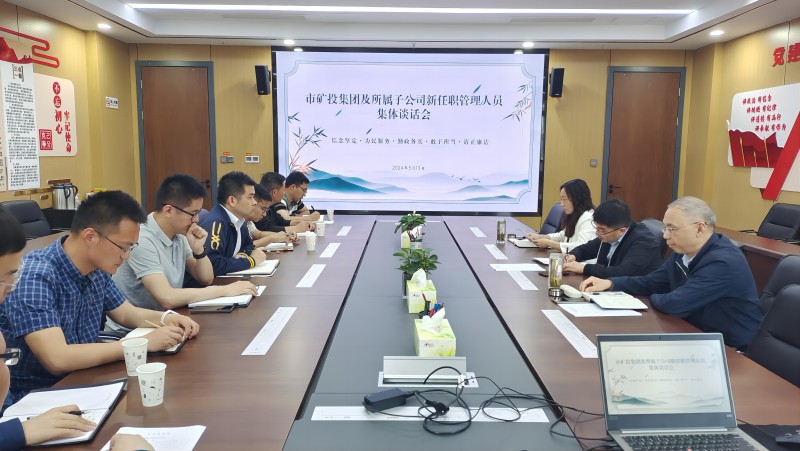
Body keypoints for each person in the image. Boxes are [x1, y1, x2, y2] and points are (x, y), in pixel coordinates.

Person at [0, 191, 199, 406]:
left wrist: (166, 318)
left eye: (131, 248)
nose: (126, 256)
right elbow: (57, 358)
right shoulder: (36, 275)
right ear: (90, 237)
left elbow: (126, 313)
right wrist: (141, 344)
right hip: (36, 397)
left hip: (83, 380)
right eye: (123, 247)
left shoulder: (97, 268)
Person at [580, 196, 762, 351]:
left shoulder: (723, 263)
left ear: (699, 228)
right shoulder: (683, 252)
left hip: (730, 349)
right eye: (664, 228)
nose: (665, 236)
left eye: (671, 229)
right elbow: (652, 282)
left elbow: (674, 303)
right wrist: (611, 283)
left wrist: (652, 297)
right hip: (695, 334)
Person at [0, 210, 98, 450]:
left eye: (12, 277)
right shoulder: (39, 274)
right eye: (5, 279)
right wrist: (18, 432)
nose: (10, 289)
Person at [112, 175, 257, 320]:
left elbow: (206, 279)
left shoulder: (180, 234)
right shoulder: (142, 239)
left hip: (169, 318)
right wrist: (224, 290)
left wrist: (199, 251)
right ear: (168, 210)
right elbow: (167, 298)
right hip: (137, 328)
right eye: (193, 214)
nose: (197, 220)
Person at [186, 171, 267, 284]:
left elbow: (248, 245)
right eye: (250, 197)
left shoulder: (240, 219)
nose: (255, 203)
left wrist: (242, 256)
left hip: (227, 280)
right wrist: (250, 261)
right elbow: (214, 264)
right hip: (207, 287)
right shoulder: (216, 222)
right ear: (232, 201)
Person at [562, 199, 661, 277]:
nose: (597, 233)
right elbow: (587, 249)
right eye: (596, 228)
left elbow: (622, 272)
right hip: (609, 288)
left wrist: (584, 268)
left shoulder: (643, 242)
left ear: (621, 230)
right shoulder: (609, 233)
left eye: (601, 230)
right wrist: (573, 256)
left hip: (637, 294)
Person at [527, 179, 595, 252]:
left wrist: (549, 243)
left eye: (564, 199)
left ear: (577, 199)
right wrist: (540, 237)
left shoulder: (588, 218)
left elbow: (581, 247)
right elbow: (563, 235)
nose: (562, 204)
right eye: (561, 199)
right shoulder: (575, 215)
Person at [247, 184, 296, 248]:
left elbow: (259, 234)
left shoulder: (248, 221)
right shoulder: (238, 220)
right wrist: (272, 238)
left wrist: (284, 235)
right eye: (263, 209)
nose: (264, 214)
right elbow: (245, 247)